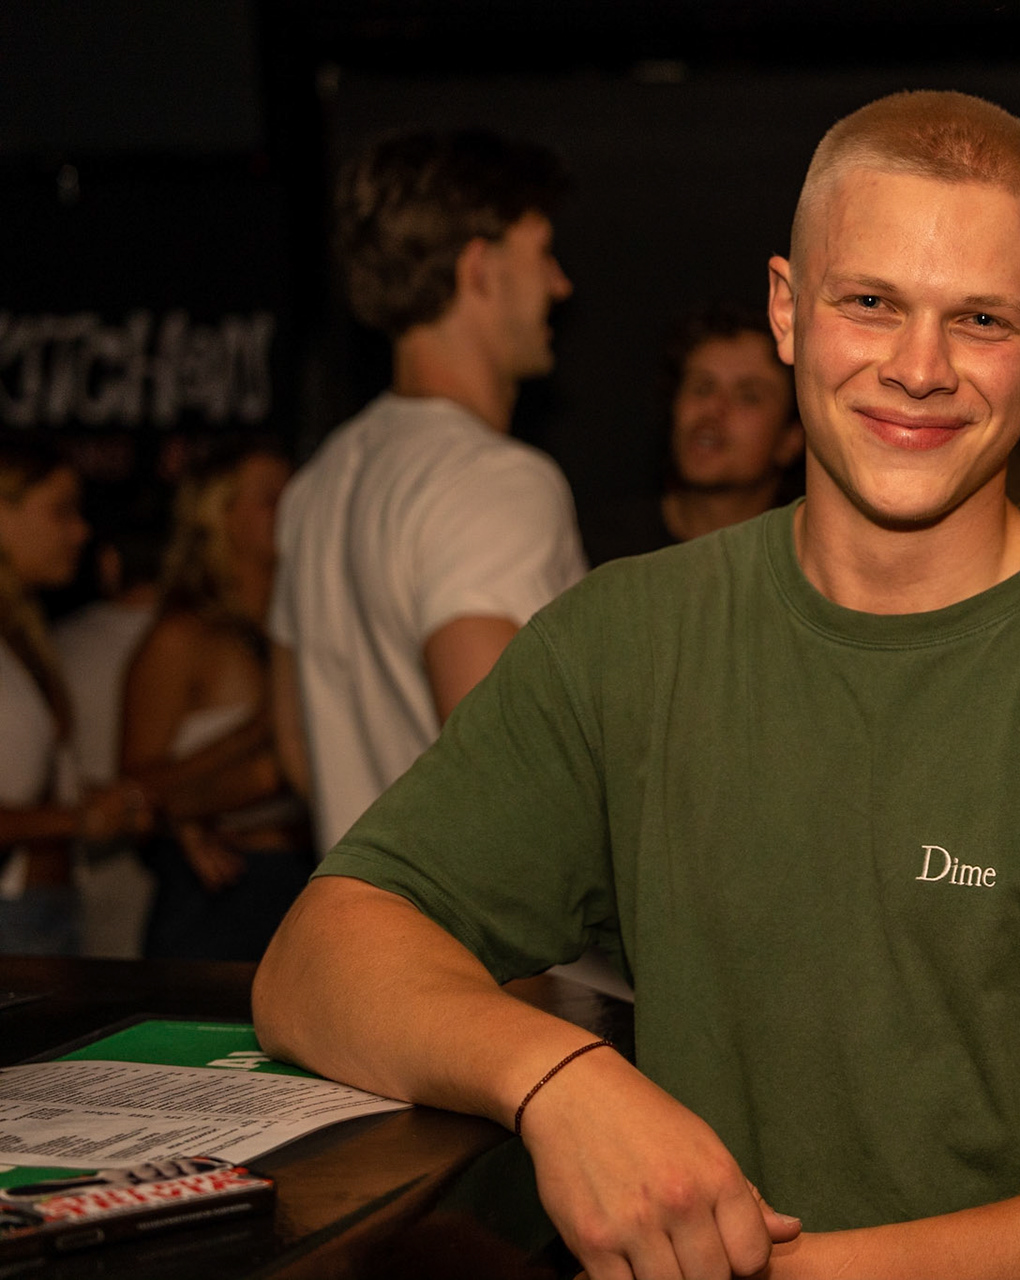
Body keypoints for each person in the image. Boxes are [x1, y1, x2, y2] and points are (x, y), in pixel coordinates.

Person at [255, 91, 1020, 1280]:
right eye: (871, 303)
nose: (919, 368)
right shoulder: (628, 639)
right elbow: (317, 958)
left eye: (979, 318)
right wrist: (559, 1077)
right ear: (786, 307)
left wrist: (791, 1274)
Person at [269, 129, 589, 852]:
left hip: (365, 909)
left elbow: (297, 750)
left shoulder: (321, 481)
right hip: (476, 928)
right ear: (480, 268)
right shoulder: (494, 482)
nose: (559, 285)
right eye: (542, 253)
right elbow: (508, 781)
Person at [119, 443, 311, 961]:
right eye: (271, 498)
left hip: (308, 875)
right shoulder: (182, 637)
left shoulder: (304, 623)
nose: (293, 506)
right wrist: (259, 732)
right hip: (221, 887)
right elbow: (134, 788)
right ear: (217, 515)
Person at [1, 441, 147, 954]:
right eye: (61, 511)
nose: (81, 531)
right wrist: (76, 820)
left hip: (46, 910)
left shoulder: (24, 634)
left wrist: (115, 805)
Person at [54, 491, 168, 956]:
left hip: (97, 871)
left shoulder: (60, 645)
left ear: (109, 562)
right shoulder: (217, 644)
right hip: (83, 865)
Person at [629, 307, 805, 553]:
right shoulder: (596, 553)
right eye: (702, 387)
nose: (713, 408)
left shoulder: (809, 561)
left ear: (791, 439)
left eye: (748, 396)